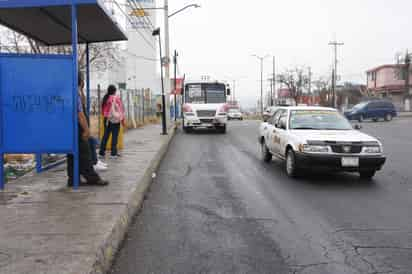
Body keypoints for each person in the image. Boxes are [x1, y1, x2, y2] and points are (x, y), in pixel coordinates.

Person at [67, 73, 109, 187]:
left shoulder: (70, 90)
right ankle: (92, 178)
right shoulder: (75, 93)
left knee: (72, 154)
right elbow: (80, 113)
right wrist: (86, 129)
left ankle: (72, 178)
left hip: (69, 127)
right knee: (85, 152)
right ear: (81, 81)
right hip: (77, 128)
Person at [99, 85, 125, 158]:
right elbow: (121, 110)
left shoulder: (105, 98)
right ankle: (113, 153)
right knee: (114, 136)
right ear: (114, 91)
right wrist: (122, 120)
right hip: (115, 120)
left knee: (105, 136)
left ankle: (101, 152)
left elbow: (103, 111)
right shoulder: (116, 98)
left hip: (107, 119)